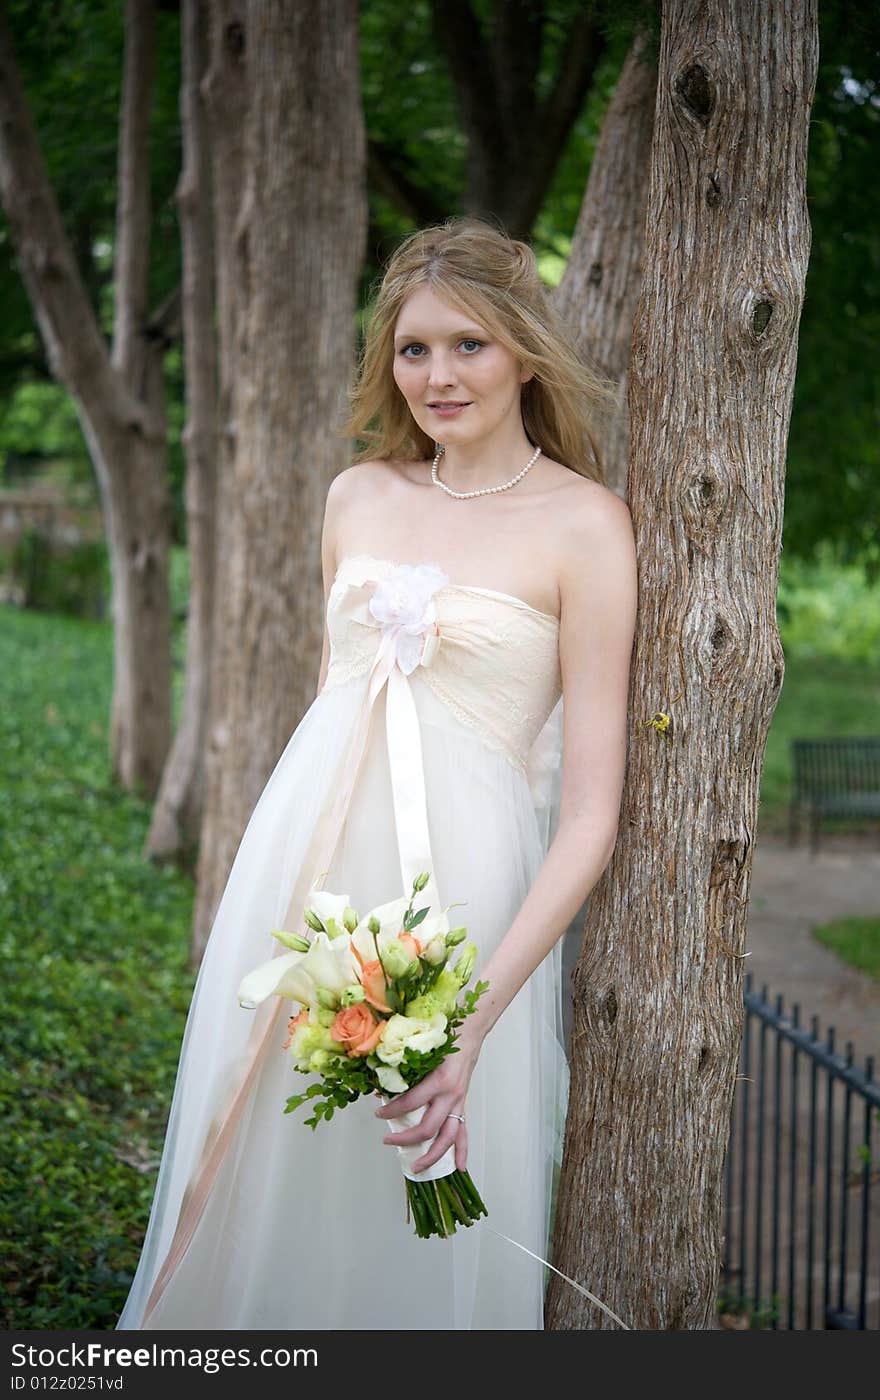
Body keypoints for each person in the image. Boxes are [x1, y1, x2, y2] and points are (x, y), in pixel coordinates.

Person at [116, 217, 637, 1331]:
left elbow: (591, 814)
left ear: (526, 354)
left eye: (469, 345)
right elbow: (332, 710)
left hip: (461, 907)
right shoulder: (357, 495)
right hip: (307, 890)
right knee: (274, 1169)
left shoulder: (587, 527)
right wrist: (296, 914)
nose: (437, 375)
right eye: (413, 349)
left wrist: (471, 1020)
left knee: (418, 1207)